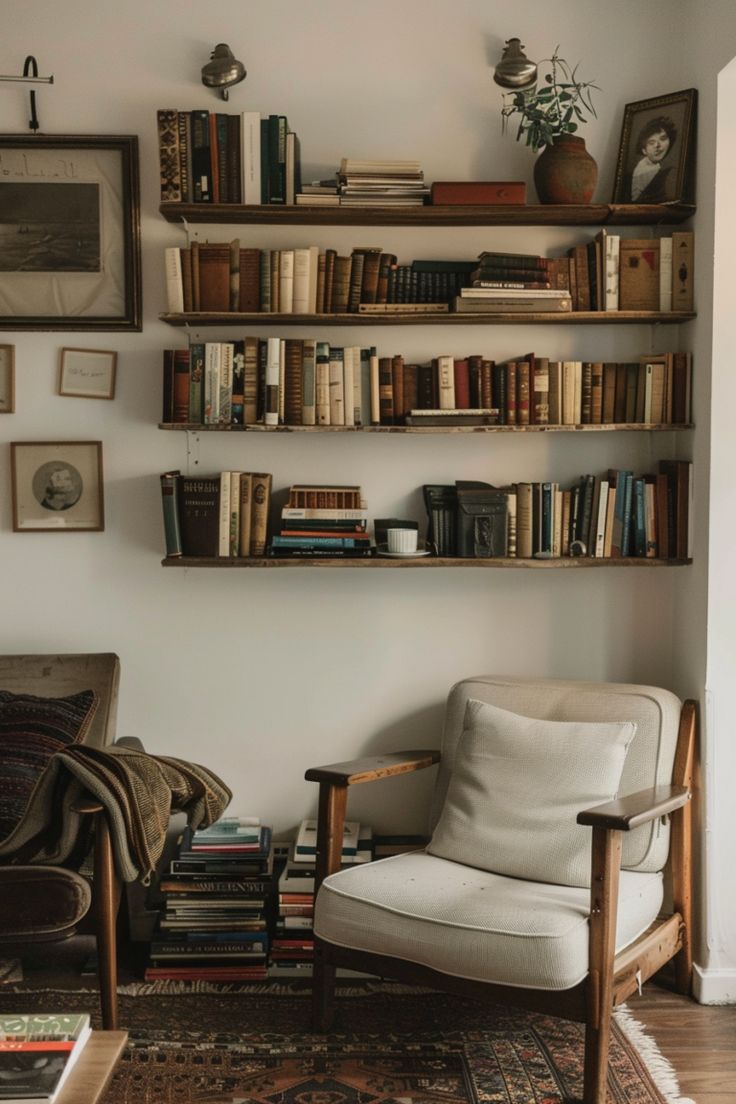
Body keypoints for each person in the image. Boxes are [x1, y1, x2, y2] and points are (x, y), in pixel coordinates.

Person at [628, 116, 678, 203]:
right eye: (651, 142)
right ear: (644, 150)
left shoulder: (665, 170)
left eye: (663, 139)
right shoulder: (638, 173)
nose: (657, 145)